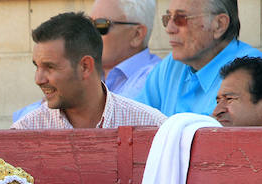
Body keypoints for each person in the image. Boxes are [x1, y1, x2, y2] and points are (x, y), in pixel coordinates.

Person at [12, 11, 166, 130]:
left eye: (50, 67)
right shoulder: (24, 131)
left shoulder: (152, 125)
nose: (38, 79)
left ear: (85, 66)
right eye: (37, 66)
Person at [138, 0, 262, 116]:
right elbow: (136, 121)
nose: (169, 29)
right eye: (167, 19)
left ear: (219, 25)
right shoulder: (171, 65)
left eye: (181, 19)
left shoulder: (249, 68)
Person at [89, 0, 161, 99]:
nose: (89, 34)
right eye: (88, 24)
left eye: (101, 25)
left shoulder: (154, 80)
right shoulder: (87, 72)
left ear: (137, 35)